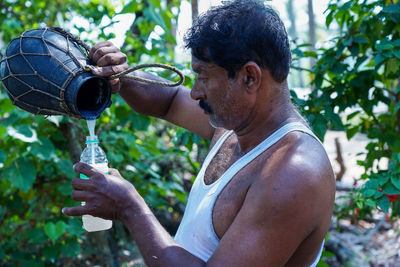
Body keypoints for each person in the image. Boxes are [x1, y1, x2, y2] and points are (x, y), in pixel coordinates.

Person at [62, 0, 336, 266]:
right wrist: (122, 76)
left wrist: (130, 208)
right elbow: (168, 102)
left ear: (249, 77)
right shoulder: (235, 124)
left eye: (203, 76)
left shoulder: (294, 172)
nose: (195, 91)